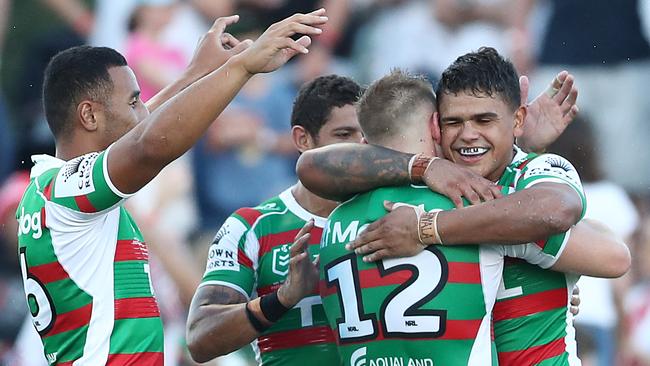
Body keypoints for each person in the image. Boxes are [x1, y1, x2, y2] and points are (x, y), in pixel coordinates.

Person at [16, 9, 328, 365]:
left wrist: (198, 73)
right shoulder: (66, 190)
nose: (142, 111)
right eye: (133, 102)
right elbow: (149, 144)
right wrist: (243, 67)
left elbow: (142, 130)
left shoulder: (50, 188)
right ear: (89, 116)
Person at [297, 49, 629, 364]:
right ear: (436, 128)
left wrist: (426, 228)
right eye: (454, 122)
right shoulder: (479, 211)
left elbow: (559, 215)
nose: (468, 134)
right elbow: (611, 253)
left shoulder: (340, 218)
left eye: (484, 121)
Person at [186, 74, 365, 365]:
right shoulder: (253, 227)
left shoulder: (391, 215)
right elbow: (200, 338)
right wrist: (282, 298)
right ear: (302, 139)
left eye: (365, 136)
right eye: (344, 135)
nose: (359, 148)